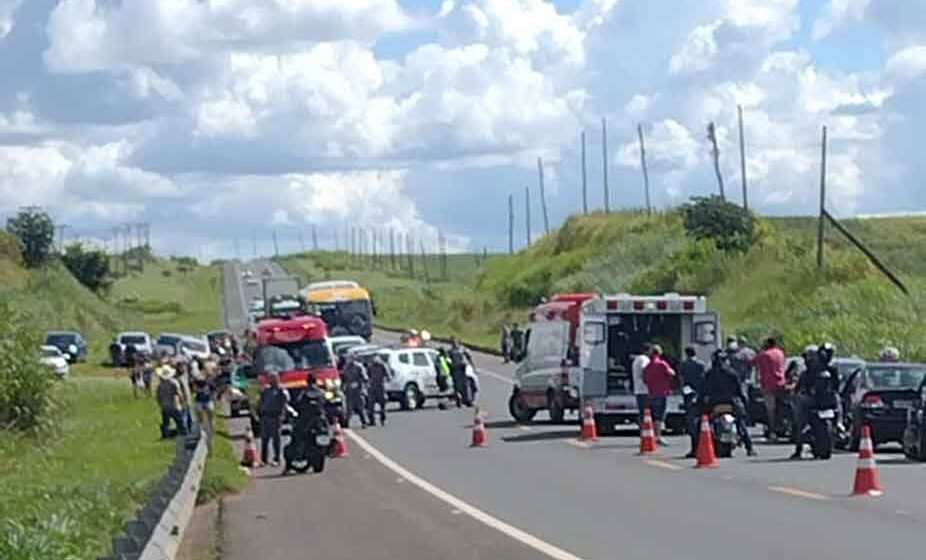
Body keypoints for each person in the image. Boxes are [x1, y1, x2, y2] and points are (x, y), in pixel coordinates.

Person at [702, 350, 756, 456]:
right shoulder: (732, 373)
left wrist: (702, 399)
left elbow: (704, 390)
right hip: (731, 402)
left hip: (715, 403)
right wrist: (744, 401)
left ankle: (696, 448)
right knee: (741, 423)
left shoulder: (709, 374)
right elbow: (739, 390)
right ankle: (749, 447)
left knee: (703, 422)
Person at [790, 343, 839, 460]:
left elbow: (836, 386)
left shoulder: (829, 369)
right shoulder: (810, 371)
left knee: (800, 420)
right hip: (818, 401)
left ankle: (839, 424)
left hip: (824, 401)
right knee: (800, 420)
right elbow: (802, 387)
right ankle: (799, 447)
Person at [754, 337, 787, 442]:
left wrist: (760, 350)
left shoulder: (764, 354)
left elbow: (753, 362)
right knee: (781, 407)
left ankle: (772, 432)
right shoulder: (780, 353)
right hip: (781, 383)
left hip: (768, 385)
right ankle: (782, 426)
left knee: (770, 410)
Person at [644, 344, 676, 446]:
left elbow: (645, 379)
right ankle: (658, 437)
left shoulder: (648, 366)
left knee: (654, 416)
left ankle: (652, 435)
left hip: (652, 393)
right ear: (659, 353)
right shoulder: (662, 364)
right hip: (662, 393)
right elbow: (672, 373)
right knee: (660, 417)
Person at [679, 346, 707, 458]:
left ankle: (695, 447)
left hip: (688, 393)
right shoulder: (701, 364)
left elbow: (681, 378)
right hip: (699, 393)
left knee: (691, 420)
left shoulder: (684, 364)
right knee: (700, 419)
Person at [258, 371, 289, 466]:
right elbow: (261, 401)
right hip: (265, 416)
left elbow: (286, 400)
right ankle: (263, 459)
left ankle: (277, 458)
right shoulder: (266, 390)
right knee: (264, 439)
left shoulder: (281, 390)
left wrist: (283, 413)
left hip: (275, 416)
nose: (272, 380)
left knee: (276, 438)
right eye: (270, 378)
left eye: (274, 378)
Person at [156, 365, 187, 439]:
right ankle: (182, 432)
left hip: (164, 406)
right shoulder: (172, 384)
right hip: (172, 405)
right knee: (179, 420)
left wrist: (160, 404)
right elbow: (179, 394)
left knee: (166, 422)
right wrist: (183, 402)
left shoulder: (160, 386)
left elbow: (158, 397)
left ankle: (165, 435)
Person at [191, 365, 216, 453]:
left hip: (201, 401)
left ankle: (203, 432)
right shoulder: (208, 379)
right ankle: (208, 431)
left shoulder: (197, 378)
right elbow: (213, 390)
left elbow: (194, 389)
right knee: (209, 417)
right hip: (206, 401)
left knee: (201, 418)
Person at [342, 354, 370, 428]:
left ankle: (364, 422)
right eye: (348, 358)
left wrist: (359, 384)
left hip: (358, 390)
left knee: (360, 407)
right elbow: (343, 378)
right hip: (349, 391)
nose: (349, 359)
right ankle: (346, 423)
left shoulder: (359, 367)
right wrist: (343, 387)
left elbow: (365, 378)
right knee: (349, 408)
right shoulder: (346, 367)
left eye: (351, 358)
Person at [366, 355, 392, 426]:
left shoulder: (383, 366)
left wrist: (385, 379)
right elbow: (367, 376)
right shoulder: (370, 366)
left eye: (377, 360)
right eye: (374, 360)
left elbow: (389, 376)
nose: (376, 361)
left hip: (381, 387)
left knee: (382, 406)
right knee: (370, 406)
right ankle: (372, 421)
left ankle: (383, 419)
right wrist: (368, 382)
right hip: (372, 388)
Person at [449, 338, 473, 407]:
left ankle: (468, 400)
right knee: (457, 386)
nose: (454, 344)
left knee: (466, 384)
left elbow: (469, 357)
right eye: (453, 343)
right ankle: (459, 400)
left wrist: (471, 365)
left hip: (463, 368)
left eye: (455, 342)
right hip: (455, 369)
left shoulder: (462, 349)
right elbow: (449, 360)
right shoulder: (451, 351)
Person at [631, 343, 651, 425]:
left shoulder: (637, 359)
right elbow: (645, 370)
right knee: (645, 412)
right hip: (644, 389)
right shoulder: (644, 359)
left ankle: (643, 428)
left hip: (638, 389)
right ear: (647, 351)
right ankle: (645, 428)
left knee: (642, 411)